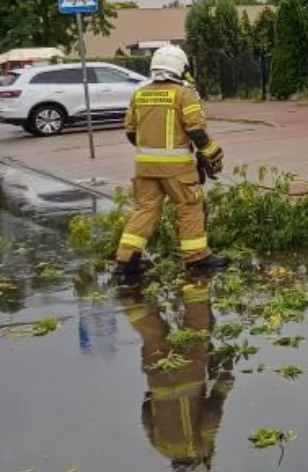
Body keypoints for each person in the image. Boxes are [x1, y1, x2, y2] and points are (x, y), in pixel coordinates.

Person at [113, 44, 227, 282]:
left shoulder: (139, 94)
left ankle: (125, 262)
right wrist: (213, 154)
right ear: (179, 67)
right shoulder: (184, 95)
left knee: (145, 210)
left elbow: (130, 132)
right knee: (189, 206)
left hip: (144, 167)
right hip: (177, 169)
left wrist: (152, 151)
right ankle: (197, 257)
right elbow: (196, 131)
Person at [119, 279, 233, 471]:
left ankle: (196, 279)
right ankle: (127, 294)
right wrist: (154, 397)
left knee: (196, 331)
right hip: (157, 380)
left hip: (189, 376)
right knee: (153, 334)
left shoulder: (200, 448)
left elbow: (211, 415)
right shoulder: (161, 448)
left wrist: (223, 385)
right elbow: (146, 414)